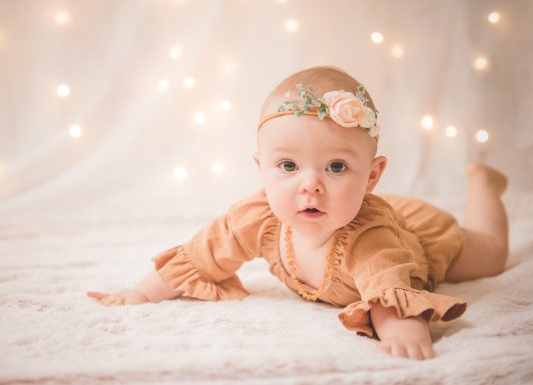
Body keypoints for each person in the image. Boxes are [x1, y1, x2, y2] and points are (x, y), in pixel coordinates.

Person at [87, 66, 509, 360]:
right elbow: (203, 254)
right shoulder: (259, 217)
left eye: (337, 167)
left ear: (372, 176)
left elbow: (386, 285)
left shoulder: (371, 240)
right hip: (372, 214)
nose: (310, 185)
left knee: (488, 256)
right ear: (261, 170)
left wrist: (401, 331)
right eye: (288, 166)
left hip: (418, 235)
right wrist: (141, 293)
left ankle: (484, 183)